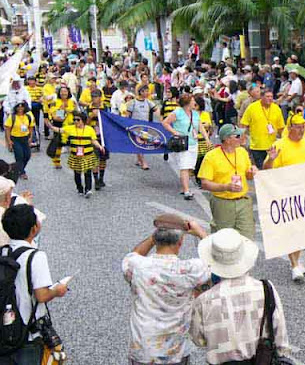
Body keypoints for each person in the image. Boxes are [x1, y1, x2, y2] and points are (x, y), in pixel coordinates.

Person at [191, 228, 291, 364]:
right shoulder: (265, 289)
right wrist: (282, 355)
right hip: (259, 360)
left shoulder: (204, 300)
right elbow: (279, 330)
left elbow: (199, 340)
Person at [122, 215, 209, 365]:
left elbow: (134, 254)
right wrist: (200, 232)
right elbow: (217, 260)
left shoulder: (137, 266)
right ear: (180, 242)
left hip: (143, 348)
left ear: (156, 240)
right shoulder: (190, 269)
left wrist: (155, 236)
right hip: (176, 350)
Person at [0, 204, 68, 365]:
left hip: (2, 328)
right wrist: (57, 290)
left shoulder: (0, 252)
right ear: (33, 228)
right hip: (27, 332)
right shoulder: (35, 256)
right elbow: (41, 295)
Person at [263, 114, 305, 282]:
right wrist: (271, 160)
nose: (301, 130)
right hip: (286, 194)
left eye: (303, 127)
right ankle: (294, 265)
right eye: (298, 126)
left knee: (302, 229)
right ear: (289, 128)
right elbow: (266, 169)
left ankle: (296, 260)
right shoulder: (279, 144)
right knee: (291, 229)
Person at [198, 124, 258, 240]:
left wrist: (252, 171)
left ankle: (243, 259)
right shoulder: (211, 156)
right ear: (227, 139)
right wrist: (226, 187)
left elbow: (248, 176)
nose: (241, 138)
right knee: (223, 239)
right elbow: (205, 183)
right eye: (237, 136)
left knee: (247, 238)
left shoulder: (242, 152)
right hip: (222, 202)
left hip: (243, 201)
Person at [162, 93, 211, 200]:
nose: (195, 103)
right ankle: (186, 190)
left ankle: (185, 186)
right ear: (188, 103)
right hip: (182, 143)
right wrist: (175, 132)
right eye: (193, 101)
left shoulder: (195, 113)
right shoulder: (177, 112)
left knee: (189, 166)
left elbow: (200, 127)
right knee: (184, 166)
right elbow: (165, 123)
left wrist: (207, 138)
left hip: (193, 142)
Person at [47, 112, 105, 198]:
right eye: (74, 120)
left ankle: (88, 189)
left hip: (87, 155)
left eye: (78, 120)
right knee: (77, 173)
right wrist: (50, 126)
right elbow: (59, 130)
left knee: (87, 172)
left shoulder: (89, 129)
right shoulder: (70, 128)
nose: (76, 121)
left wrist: (100, 146)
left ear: (83, 121)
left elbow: (93, 140)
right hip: (75, 155)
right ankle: (80, 188)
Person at [239, 90, 285, 168]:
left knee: (271, 169)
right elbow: (243, 124)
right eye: (267, 96)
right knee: (261, 170)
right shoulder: (252, 108)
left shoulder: (276, 108)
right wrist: (242, 140)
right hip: (257, 146)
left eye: (271, 97)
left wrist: (284, 141)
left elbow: (281, 128)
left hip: (272, 146)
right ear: (261, 97)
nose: (270, 99)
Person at [128, 84, 159, 171]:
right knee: (139, 144)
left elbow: (156, 109)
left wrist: (161, 119)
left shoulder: (148, 102)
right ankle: (143, 162)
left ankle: (139, 159)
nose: (147, 93)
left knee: (143, 144)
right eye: (145, 91)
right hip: (135, 126)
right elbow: (127, 114)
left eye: (147, 91)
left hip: (145, 126)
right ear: (140, 92)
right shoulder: (133, 102)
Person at [48, 86, 78, 169]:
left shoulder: (73, 102)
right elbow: (57, 118)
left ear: (68, 92)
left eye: (65, 91)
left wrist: (71, 111)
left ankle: (75, 162)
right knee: (59, 144)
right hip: (59, 125)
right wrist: (62, 110)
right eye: (61, 91)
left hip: (72, 125)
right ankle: (56, 162)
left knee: (75, 143)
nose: (63, 93)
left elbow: (77, 112)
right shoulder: (55, 102)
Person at [4, 102, 35, 180]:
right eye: (18, 107)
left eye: (22, 107)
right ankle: (22, 172)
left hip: (25, 138)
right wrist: (9, 141)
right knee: (19, 156)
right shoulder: (12, 117)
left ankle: (17, 168)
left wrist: (30, 137)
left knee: (27, 155)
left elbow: (31, 127)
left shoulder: (28, 116)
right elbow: (8, 129)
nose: (20, 109)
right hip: (15, 138)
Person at [87, 90, 109, 190]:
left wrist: (100, 115)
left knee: (103, 158)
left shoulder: (105, 106)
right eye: (92, 96)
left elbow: (109, 120)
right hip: (93, 136)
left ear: (100, 97)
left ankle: (101, 178)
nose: (93, 98)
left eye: (95, 96)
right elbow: (85, 123)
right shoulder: (89, 107)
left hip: (104, 136)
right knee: (95, 159)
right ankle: (95, 181)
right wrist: (91, 116)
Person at [25, 76, 43, 145]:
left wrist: (38, 100)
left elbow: (41, 97)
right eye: (30, 81)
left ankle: (37, 128)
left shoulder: (39, 89)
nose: (32, 82)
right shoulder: (25, 89)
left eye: (33, 81)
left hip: (36, 104)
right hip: (28, 105)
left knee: (36, 108)